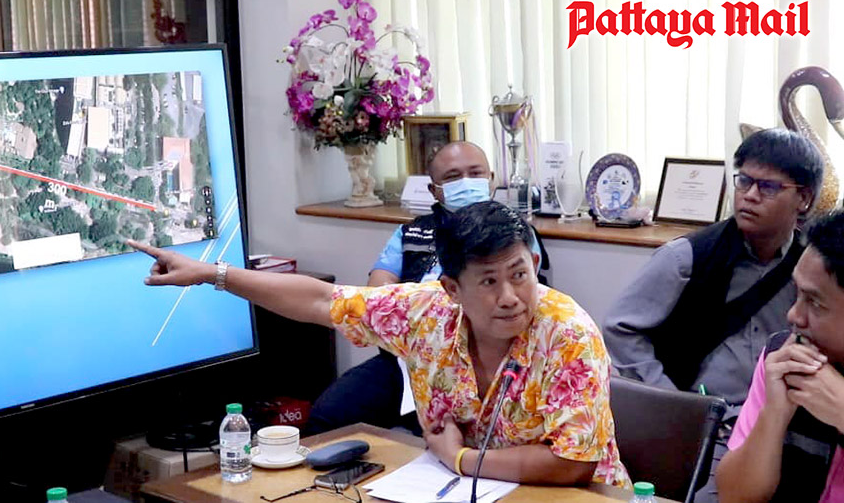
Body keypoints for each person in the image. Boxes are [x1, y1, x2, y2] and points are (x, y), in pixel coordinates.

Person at [127, 200, 628, 487]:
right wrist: (212, 274)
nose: (510, 298)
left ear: (534, 265)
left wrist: (460, 459)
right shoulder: (427, 312)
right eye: (489, 282)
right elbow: (322, 301)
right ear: (452, 289)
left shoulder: (568, 335)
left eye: (519, 275)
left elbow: (572, 463)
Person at [601, 128, 824, 502]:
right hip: (712, 427)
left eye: (768, 187)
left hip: (789, 421)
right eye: (744, 181)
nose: (749, 195)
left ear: (803, 198)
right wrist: (673, 400)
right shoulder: (687, 257)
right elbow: (619, 327)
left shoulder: (811, 266)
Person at [306, 141, 547, 436]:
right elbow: (377, 292)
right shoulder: (412, 232)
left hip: (483, 359)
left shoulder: (513, 233)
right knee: (328, 414)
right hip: (407, 356)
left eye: (475, 174)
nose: (466, 183)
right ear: (434, 190)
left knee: (442, 430)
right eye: (453, 177)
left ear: (492, 179)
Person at [717, 210, 844, 503]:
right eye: (797, 293)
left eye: (815, 303)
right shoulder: (783, 357)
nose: (793, 315)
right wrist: (774, 414)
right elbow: (734, 497)